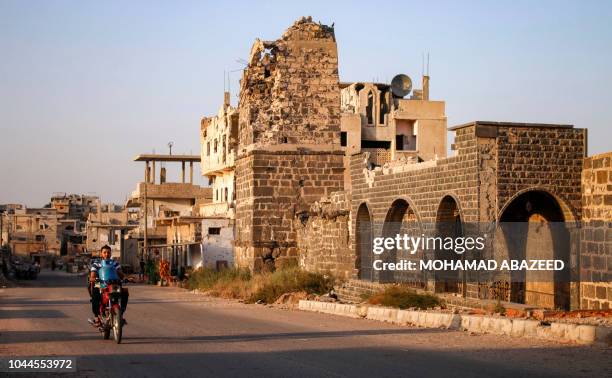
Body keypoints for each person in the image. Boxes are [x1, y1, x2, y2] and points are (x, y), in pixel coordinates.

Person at [88, 245, 129, 327]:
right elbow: (92, 276)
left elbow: (121, 274)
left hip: (114, 283)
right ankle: (97, 318)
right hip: (100, 282)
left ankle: (120, 314)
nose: (106, 254)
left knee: (124, 292)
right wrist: (94, 279)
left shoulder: (115, 263)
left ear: (110, 254)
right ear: (101, 254)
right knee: (95, 294)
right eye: (104, 252)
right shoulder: (97, 264)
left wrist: (126, 278)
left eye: (108, 252)